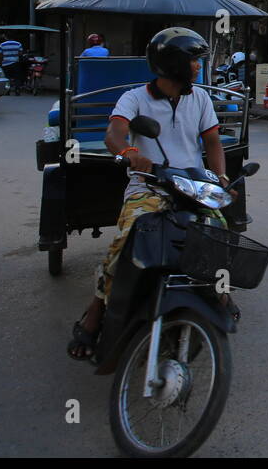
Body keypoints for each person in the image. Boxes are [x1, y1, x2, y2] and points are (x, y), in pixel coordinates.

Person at [67, 28, 228, 360]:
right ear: (175, 64)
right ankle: (95, 314)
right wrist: (128, 153)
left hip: (193, 186)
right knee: (126, 243)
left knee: (219, 235)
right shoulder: (134, 98)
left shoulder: (200, 98)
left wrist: (221, 178)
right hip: (148, 186)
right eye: (195, 61)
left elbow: (212, 142)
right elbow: (114, 133)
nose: (199, 67)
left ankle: (219, 295)